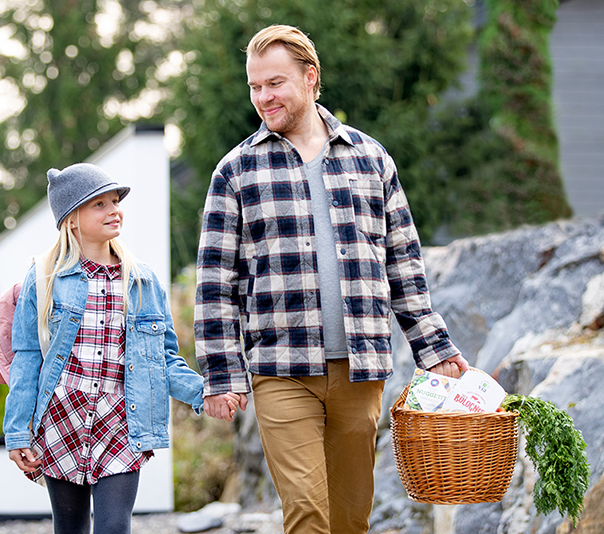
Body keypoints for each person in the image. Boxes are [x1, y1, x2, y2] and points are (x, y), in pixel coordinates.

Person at [194, 25, 469, 534]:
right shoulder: (235, 171)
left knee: (350, 519)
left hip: (360, 371)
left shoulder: (371, 159)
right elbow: (215, 283)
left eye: (273, 83)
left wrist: (436, 350)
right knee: (307, 513)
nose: (262, 98)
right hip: (282, 369)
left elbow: (403, 265)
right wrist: (222, 374)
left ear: (310, 77)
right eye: (254, 87)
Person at [3, 163, 231, 534]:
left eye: (115, 201)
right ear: (71, 219)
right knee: (71, 528)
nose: (114, 210)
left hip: (122, 423)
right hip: (62, 422)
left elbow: (164, 359)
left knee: (113, 526)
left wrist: (204, 393)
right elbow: (27, 359)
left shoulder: (142, 281)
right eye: (99, 204)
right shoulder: (44, 278)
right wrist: (17, 433)